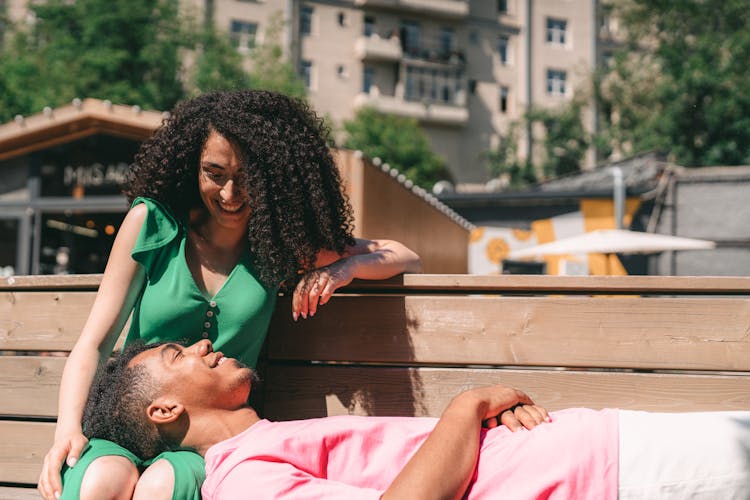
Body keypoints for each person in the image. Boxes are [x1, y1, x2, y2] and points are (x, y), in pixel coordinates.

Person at [38, 90, 422, 500]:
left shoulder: (280, 247)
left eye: (248, 176)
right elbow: (94, 344)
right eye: (215, 172)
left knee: (161, 486)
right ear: (192, 166)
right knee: (100, 479)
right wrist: (67, 431)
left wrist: (346, 268)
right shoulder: (151, 224)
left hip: (207, 440)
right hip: (130, 423)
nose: (230, 193)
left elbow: (406, 256)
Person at [85, 340, 750, 500]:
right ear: (165, 410)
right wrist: (468, 406)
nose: (202, 346)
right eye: (178, 354)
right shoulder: (241, 481)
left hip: (596, 451)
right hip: (602, 477)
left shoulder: (262, 444)